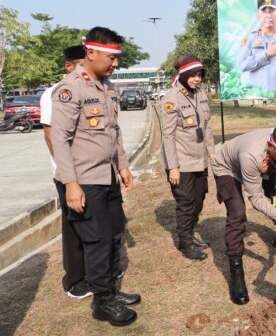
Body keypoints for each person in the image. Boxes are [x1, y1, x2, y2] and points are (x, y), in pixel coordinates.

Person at [51, 27, 140, 326]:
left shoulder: (106, 86)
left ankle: (111, 291)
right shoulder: (69, 88)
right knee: (98, 240)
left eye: (117, 58)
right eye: (111, 57)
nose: (115, 64)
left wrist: (123, 165)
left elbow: (113, 131)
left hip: (108, 175)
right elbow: (60, 139)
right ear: (90, 53)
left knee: (115, 232)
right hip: (84, 179)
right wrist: (71, 184)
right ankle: (102, 302)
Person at [211, 124, 276, 305]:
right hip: (227, 168)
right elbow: (257, 198)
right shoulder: (251, 155)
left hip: (264, 164)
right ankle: (236, 272)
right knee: (237, 213)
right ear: (270, 145)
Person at [40, 45, 90, 299]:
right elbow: (52, 136)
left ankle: (93, 272)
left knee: (92, 224)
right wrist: (67, 175)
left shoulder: (90, 88)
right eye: (81, 64)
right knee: (74, 227)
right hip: (68, 174)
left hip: (90, 171)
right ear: (68, 66)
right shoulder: (54, 93)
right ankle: (75, 279)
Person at [161, 55, 214, 261]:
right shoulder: (171, 98)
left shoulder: (201, 94)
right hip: (181, 162)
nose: (197, 79)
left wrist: (211, 151)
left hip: (199, 159)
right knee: (186, 203)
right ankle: (185, 243)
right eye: (192, 75)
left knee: (199, 200)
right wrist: (173, 167)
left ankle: (190, 233)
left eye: (199, 75)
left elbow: (207, 126)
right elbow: (168, 135)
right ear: (182, 75)